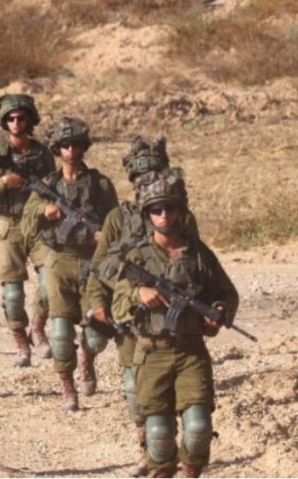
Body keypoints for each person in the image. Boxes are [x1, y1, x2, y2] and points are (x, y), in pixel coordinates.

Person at [112, 168, 238, 478]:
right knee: (158, 433)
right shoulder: (138, 257)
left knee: (198, 427)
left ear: (181, 211)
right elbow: (118, 306)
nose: (164, 215)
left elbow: (226, 293)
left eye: (170, 208)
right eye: (156, 209)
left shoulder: (198, 254)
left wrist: (219, 310)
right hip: (151, 353)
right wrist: (139, 294)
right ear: (148, 214)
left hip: (191, 352)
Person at [86, 136, 199, 476]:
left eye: (154, 174)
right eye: (140, 177)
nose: (147, 181)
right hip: (131, 312)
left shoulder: (179, 218)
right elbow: (99, 266)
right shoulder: (117, 219)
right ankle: (148, 450)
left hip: (172, 317)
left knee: (181, 392)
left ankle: (175, 452)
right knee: (136, 387)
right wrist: (98, 302)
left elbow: (198, 263)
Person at [21, 117, 118, 412]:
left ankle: (87, 359)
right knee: (61, 334)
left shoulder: (100, 184)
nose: (71, 151)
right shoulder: (48, 185)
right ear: (56, 149)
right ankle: (67, 388)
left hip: (93, 262)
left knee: (97, 336)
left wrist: (105, 234)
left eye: (76, 144)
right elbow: (26, 223)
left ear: (84, 147)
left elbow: (118, 223)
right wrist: (44, 209)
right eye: (65, 145)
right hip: (59, 260)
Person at [0, 94, 56, 367]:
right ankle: (21, 342)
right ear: (4, 122)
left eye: (21, 118)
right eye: (10, 118)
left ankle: (38, 329)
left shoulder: (43, 154)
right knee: (13, 295)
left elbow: (55, 187)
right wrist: (4, 183)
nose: (16, 122)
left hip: (39, 226)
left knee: (49, 284)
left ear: (30, 120)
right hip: (8, 226)